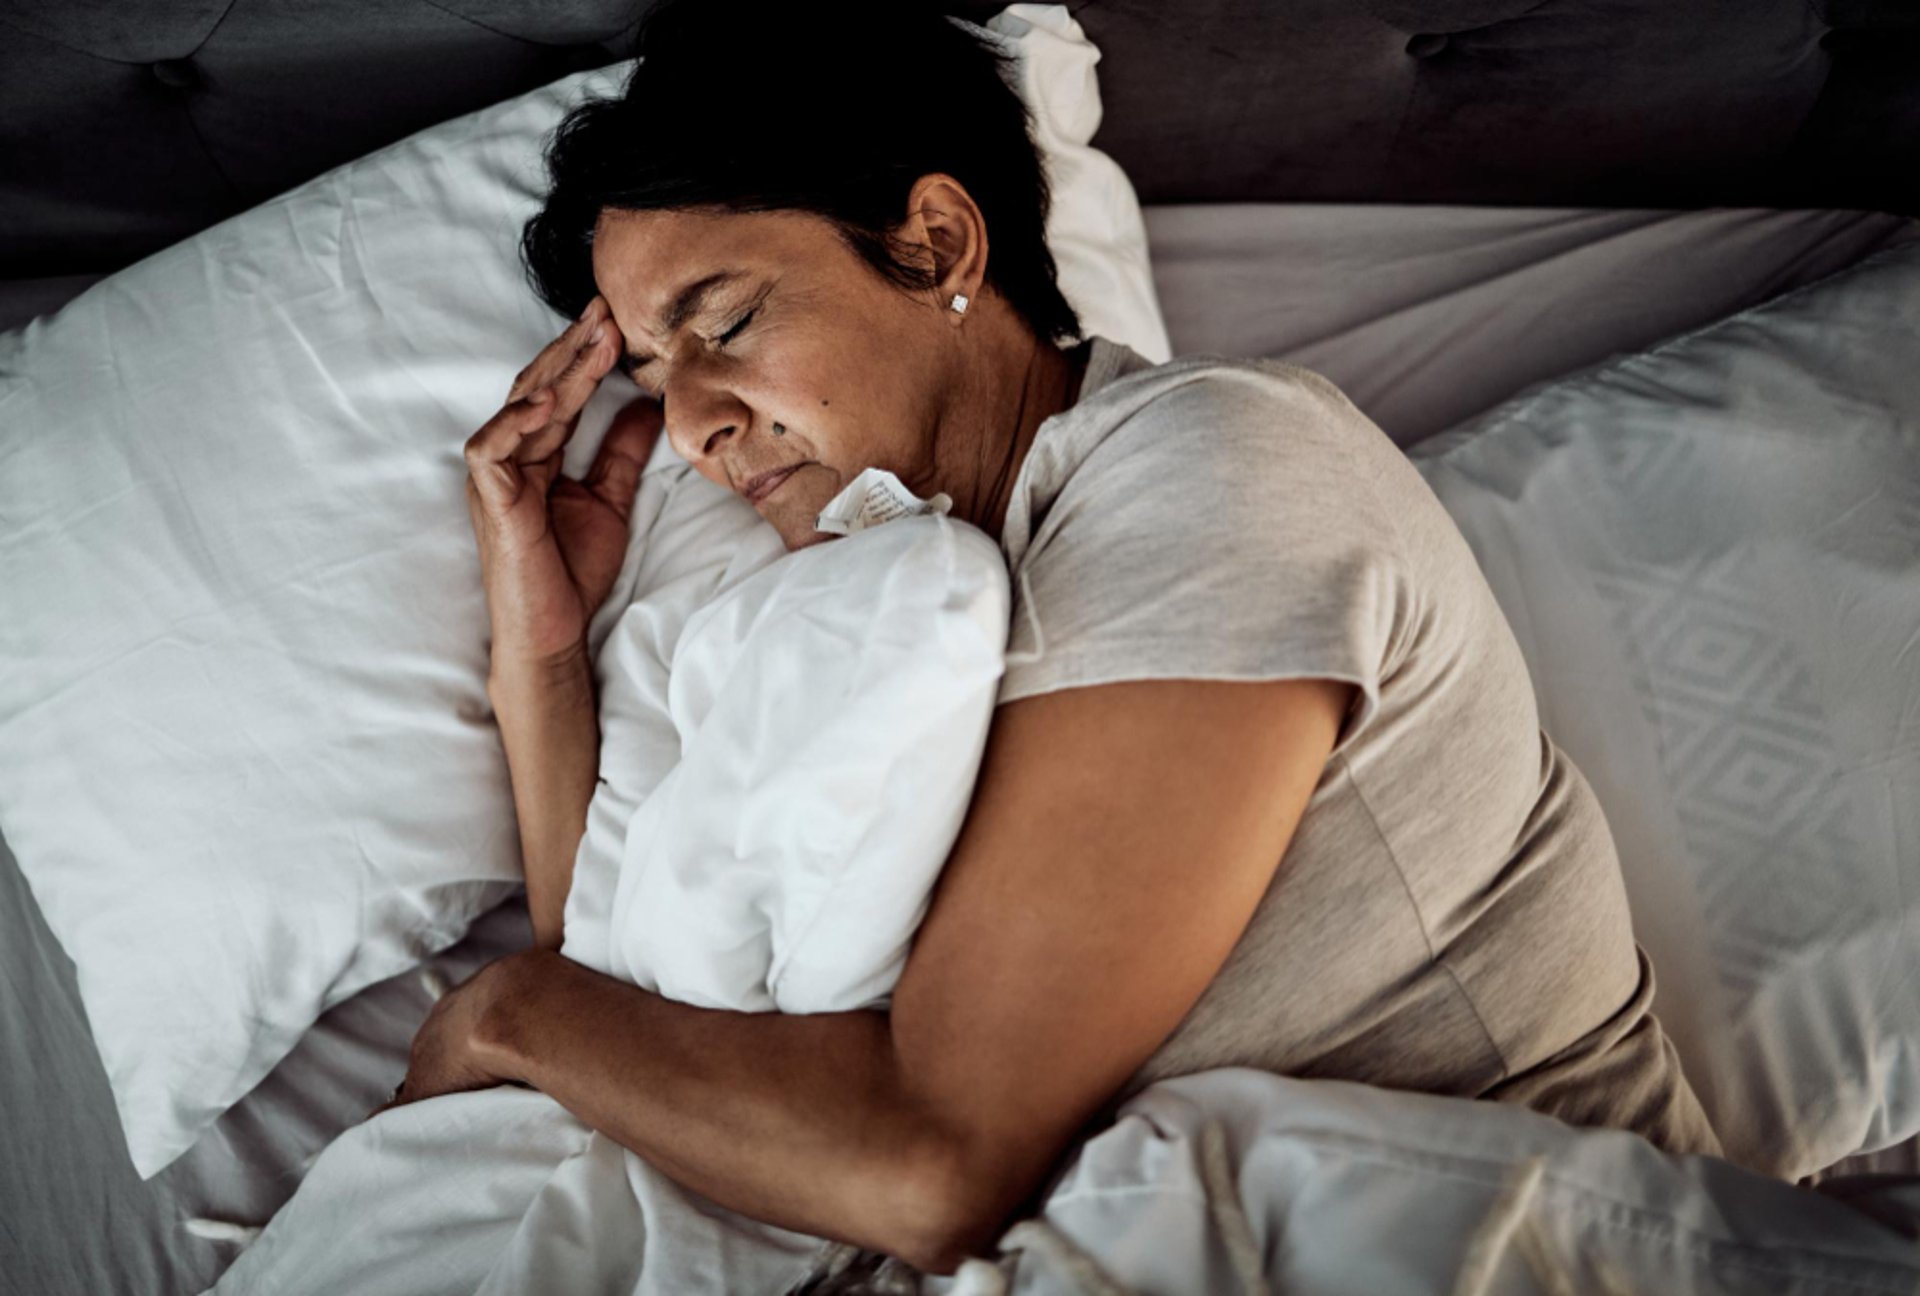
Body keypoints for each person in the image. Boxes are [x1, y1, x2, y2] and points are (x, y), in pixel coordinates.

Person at [392, 0, 1722, 1279]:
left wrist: (503, 1015)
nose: (692, 428)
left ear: (936, 244)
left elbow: (928, 1165)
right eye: (650, 379)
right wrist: (545, 652)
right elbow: (645, 980)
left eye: (727, 326)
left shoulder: (1212, 471)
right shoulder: (873, 605)